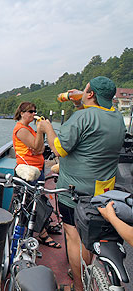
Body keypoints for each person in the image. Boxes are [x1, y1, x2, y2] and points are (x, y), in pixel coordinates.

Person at [39, 76, 126, 291]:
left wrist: (47, 129)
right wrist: (80, 101)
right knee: (88, 235)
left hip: (75, 191)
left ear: (91, 94)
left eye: (86, 90)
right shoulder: (116, 117)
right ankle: (87, 274)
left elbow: (59, 148)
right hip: (103, 190)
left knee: (74, 236)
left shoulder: (83, 117)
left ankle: (78, 286)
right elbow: (92, 129)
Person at [13, 101, 61, 248]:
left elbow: (39, 149)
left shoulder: (29, 129)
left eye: (35, 111)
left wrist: (38, 142)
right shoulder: (20, 129)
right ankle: (42, 234)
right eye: (30, 112)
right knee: (34, 202)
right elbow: (36, 146)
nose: (34, 114)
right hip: (28, 171)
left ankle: (44, 227)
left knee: (39, 199)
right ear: (22, 113)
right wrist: (41, 131)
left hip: (38, 169)